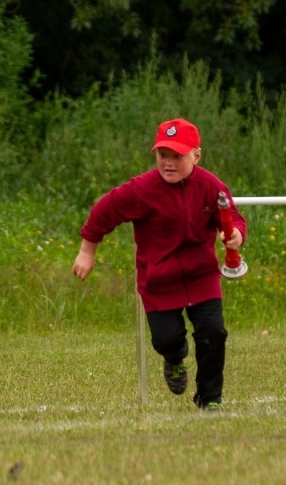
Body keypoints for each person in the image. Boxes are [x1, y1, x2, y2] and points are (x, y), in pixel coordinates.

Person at [72, 118, 246, 411]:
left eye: (177, 155)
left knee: (213, 334)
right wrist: (87, 251)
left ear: (196, 155)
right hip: (159, 280)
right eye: (163, 154)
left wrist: (237, 234)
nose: (168, 162)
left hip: (202, 277)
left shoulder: (211, 185)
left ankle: (210, 399)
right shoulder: (141, 190)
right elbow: (105, 210)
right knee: (167, 339)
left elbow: (233, 216)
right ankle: (175, 359)